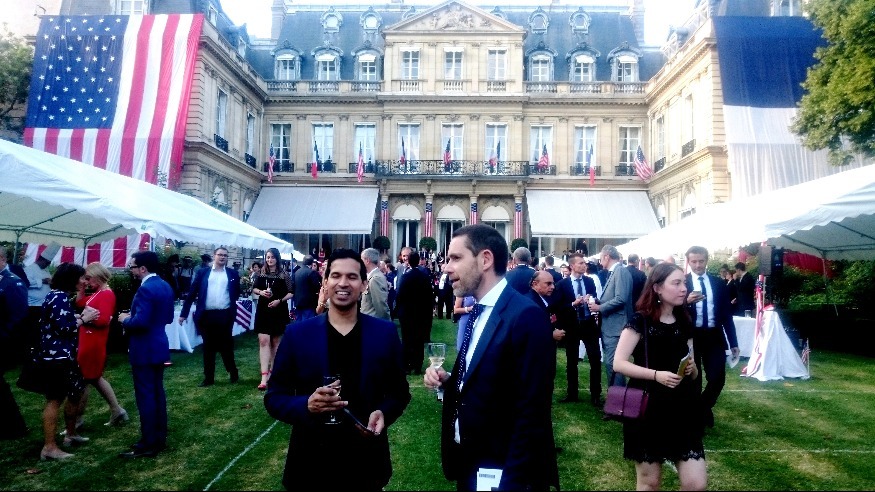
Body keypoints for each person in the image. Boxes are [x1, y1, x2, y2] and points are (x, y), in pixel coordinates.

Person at [423, 224, 558, 491]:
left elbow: (533, 411)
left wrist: (511, 482)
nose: (446, 267)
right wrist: (449, 382)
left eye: (456, 258)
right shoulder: (478, 311)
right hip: (470, 462)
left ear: (485, 259)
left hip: (505, 472)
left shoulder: (526, 316)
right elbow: (489, 381)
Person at [264, 248, 411, 491]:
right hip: (310, 462)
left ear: (364, 284)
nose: (343, 283)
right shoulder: (297, 334)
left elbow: (399, 393)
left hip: (365, 463)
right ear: (324, 282)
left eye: (352, 277)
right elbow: (274, 397)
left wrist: (384, 413)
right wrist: (306, 405)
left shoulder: (384, 333)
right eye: (336, 276)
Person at [613, 262, 706, 491]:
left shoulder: (685, 320)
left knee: (696, 484)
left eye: (684, 283)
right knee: (649, 483)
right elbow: (619, 363)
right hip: (648, 408)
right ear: (657, 288)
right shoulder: (640, 321)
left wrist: (692, 368)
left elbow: (693, 370)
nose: (684, 288)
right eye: (676, 283)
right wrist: (656, 375)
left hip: (682, 408)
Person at [118, 251, 174, 458]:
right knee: (157, 393)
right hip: (159, 344)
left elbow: (140, 322)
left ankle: (149, 442)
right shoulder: (165, 285)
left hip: (144, 348)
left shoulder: (146, 289)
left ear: (142, 268)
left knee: (146, 397)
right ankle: (158, 437)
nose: (131, 271)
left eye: (132, 267)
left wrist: (124, 319)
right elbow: (168, 317)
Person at [35, 262, 93, 460]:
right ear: (71, 279)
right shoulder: (59, 297)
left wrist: (74, 316)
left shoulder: (57, 296)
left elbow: (58, 321)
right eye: (82, 278)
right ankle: (49, 447)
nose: (85, 281)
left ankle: (71, 433)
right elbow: (64, 328)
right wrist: (84, 319)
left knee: (75, 393)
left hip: (64, 355)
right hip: (57, 357)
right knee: (55, 399)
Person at [685, 246, 739, 429]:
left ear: (706, 260)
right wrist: (686, 302)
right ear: (688, 262)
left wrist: (733, 342)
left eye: (701, 261)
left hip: (714, 336)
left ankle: (701, 409)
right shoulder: (682, 283)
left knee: (717, 378)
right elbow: (671, 308)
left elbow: (727, 315)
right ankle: (699, 417)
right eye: (694, 261)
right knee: (694, 379)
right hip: (691, 337)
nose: (698, 265)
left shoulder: (718, 283)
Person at [74, 262, 128, 428]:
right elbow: (80, 303)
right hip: (90, 340)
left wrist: (85, 319)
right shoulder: (99, 293)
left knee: (84, 379)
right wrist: (81, 290)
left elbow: (104, 320)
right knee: (93, 378)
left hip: (93, 342)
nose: (87, 282)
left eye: (88, 278)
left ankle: (77, 420)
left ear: (97, 276)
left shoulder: (106, 294)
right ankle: (116, 410)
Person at [180, 247, 241, 387]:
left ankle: (233, 372)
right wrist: (183, 314)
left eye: (225, 255)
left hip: (225, 314)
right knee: (208, 347)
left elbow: (236, 293)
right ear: (214, 256)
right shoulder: (202, 273)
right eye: (220, 255)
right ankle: (209, 378)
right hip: (206, 315)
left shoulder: (232, 274)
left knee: (226, 346)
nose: (222, 257)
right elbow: (192, 293)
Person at [554, 253, 600, 405]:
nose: (584, 265)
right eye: (580, 263)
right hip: (572, 325)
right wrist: (573, 304)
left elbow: (595, 298)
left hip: (588, 324)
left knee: (595, 359)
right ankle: (572, 393)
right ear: (572, 266)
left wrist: (592, 300)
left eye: (584, 263)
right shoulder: (562, 284)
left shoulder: (589, 281)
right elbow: (558, 307)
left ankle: (595, 394)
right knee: (571, 361)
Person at [589, 245, 635, 388]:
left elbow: (621, 298)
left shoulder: (620, 271)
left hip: (616, 327)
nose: (599, 261)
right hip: (611, 326)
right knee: (612, 364)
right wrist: (598, 301)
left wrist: (599, 307)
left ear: (606, 257)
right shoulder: (615, 271)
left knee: (614, 364)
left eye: (600, 258)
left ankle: (617, 398)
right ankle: (616, 396)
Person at [252, 248, 293, 390]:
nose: (270, 260)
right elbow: (254, 288)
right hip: (263, 310)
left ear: (277, 259)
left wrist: (279, 301)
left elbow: (291, 292)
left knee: (275, 342)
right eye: (268, 257)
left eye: (272, 257)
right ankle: (264, 377)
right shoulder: (261, 273)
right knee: (263, 340)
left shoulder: (284, 274)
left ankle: (273, 372)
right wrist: (261, 292)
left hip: (278, 310)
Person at [0, 247, 29, 440]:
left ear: (2, 259)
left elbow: (18, 316)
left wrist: (4, 336)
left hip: (4, 341)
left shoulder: (13, 282)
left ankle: (15, 427)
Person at [394, 251, 434, 375]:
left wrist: (397, 309)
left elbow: (399, 294)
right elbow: (429, 296)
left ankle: (407, 365)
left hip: (407, 313)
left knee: (407, 339)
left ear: (409, 261)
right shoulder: (424, 276)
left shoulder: (406, 276)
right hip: (421, 313)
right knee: (418, 340)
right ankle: (417, 365)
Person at [360, 248, 391, 321]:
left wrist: (386, 323)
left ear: (367, 260)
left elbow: (380, 304)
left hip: (372, 321)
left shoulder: (375, 278)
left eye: (362, 259)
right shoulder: (371, 276)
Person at [293, 256, 323, 322]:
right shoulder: (311, 272)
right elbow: (317, 287)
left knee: (299, 323)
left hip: (298, 303)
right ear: (311, 263)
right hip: (308, 304)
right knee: (307, 324)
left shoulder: (297, 272)